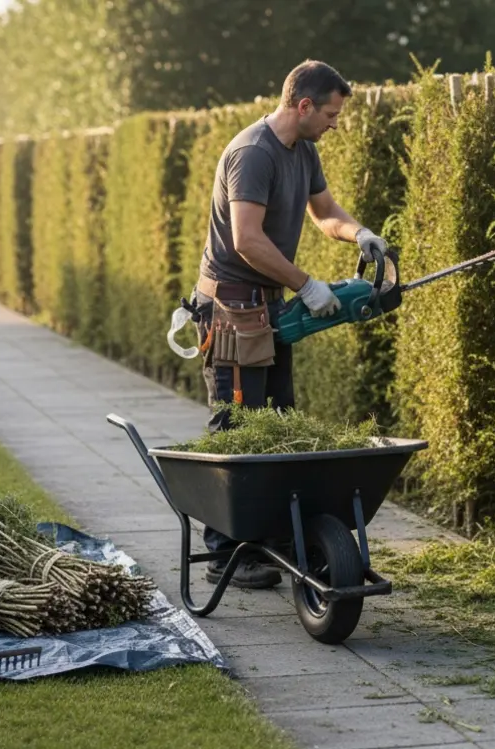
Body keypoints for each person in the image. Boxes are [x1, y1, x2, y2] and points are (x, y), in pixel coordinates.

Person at [187, 60, 390, 589]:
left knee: (277, 416)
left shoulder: (304, 151)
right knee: (236, 421)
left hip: (267, 304)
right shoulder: (254, 154)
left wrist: (358, 232)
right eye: (329, 113)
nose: (334, 123)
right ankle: (224, 552)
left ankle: (268, 536)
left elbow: (324, 213)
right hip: (231, 308)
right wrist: (306, 284)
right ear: (303, 106)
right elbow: (246, 240)